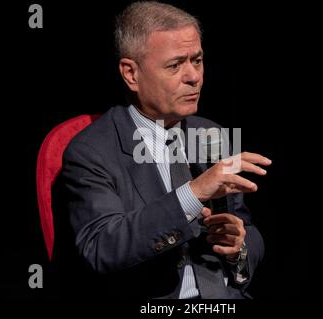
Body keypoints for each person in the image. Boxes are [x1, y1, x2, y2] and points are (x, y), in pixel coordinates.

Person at [59, 1, 271, 299]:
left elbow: (246, 227)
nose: (194, 77)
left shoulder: (210, 133)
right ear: (131, 73)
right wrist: (194, 193)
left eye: (197, 61)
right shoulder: (91, 151)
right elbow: (101, 248)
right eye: (175, 65)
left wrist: (239, 247)